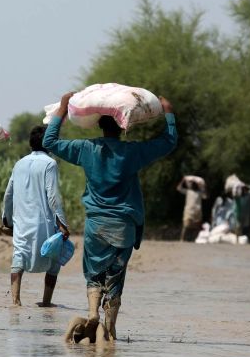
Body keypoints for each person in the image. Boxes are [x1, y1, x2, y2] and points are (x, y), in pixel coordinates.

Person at [44, 92, 177, 343]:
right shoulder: (132, 152)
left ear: (99, 125)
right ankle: (111, 329)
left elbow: (50, 141)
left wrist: (62, 109)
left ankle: (92, 313)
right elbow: (169, 142)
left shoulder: (86, 149)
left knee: (94, 273)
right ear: (123, 126)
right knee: (116, 276)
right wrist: (168, 112)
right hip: (124, 225)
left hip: (96, 224)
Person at [2, 125, 70, 307]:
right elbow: (53, 197)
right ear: (49, 142)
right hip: (43, 223)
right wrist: (62, 223)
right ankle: (46, 302)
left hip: (21, 222)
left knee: (19, 258)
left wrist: (6, 219)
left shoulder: (19, 163)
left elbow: (8, 194)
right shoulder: (50, 164)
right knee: (53, 258)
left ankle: (15, 302)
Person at [177, 177, 206, 242]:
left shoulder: (199, 193)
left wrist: (203, 186)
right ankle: (182, 238)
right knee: (186, 226)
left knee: (196, 226)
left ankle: (193, 239)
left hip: (197, 211)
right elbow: (178, 188)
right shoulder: (188, 191)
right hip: (189, 211)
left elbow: (205, 196)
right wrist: (182, 181)